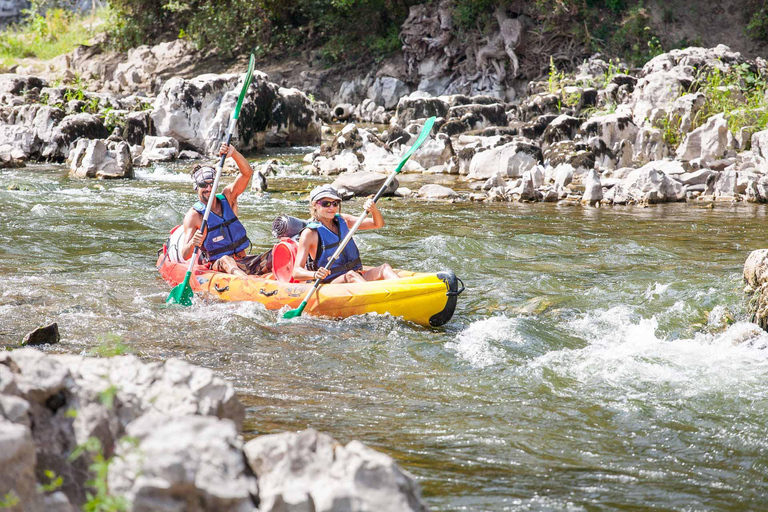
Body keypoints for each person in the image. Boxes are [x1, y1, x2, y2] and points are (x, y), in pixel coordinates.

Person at [181, 142, 271, 276]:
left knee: (273, 254)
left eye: (212, 184)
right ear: (196, 187)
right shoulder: (194, 216)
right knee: (226, 260)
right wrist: (193, 242)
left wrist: (233, 153)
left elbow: (247, 174)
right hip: (219, 266)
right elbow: (185, 254)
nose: (209, 189)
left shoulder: (228, 197)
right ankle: (247, 282)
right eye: (203, 185)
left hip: (243, 261)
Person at [292, 184, 399, 284]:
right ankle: (377, 298)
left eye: (335, 203)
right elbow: (296, 272)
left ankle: (404, 292)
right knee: (351, 276)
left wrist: (373, 209)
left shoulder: (343, 220)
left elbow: (378, 224)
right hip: (330, 283)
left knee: (385, 268)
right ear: (315, 205)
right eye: (326, 204)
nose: (332, 208)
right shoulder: (310, 234)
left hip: (355, 276)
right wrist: (315, 274)